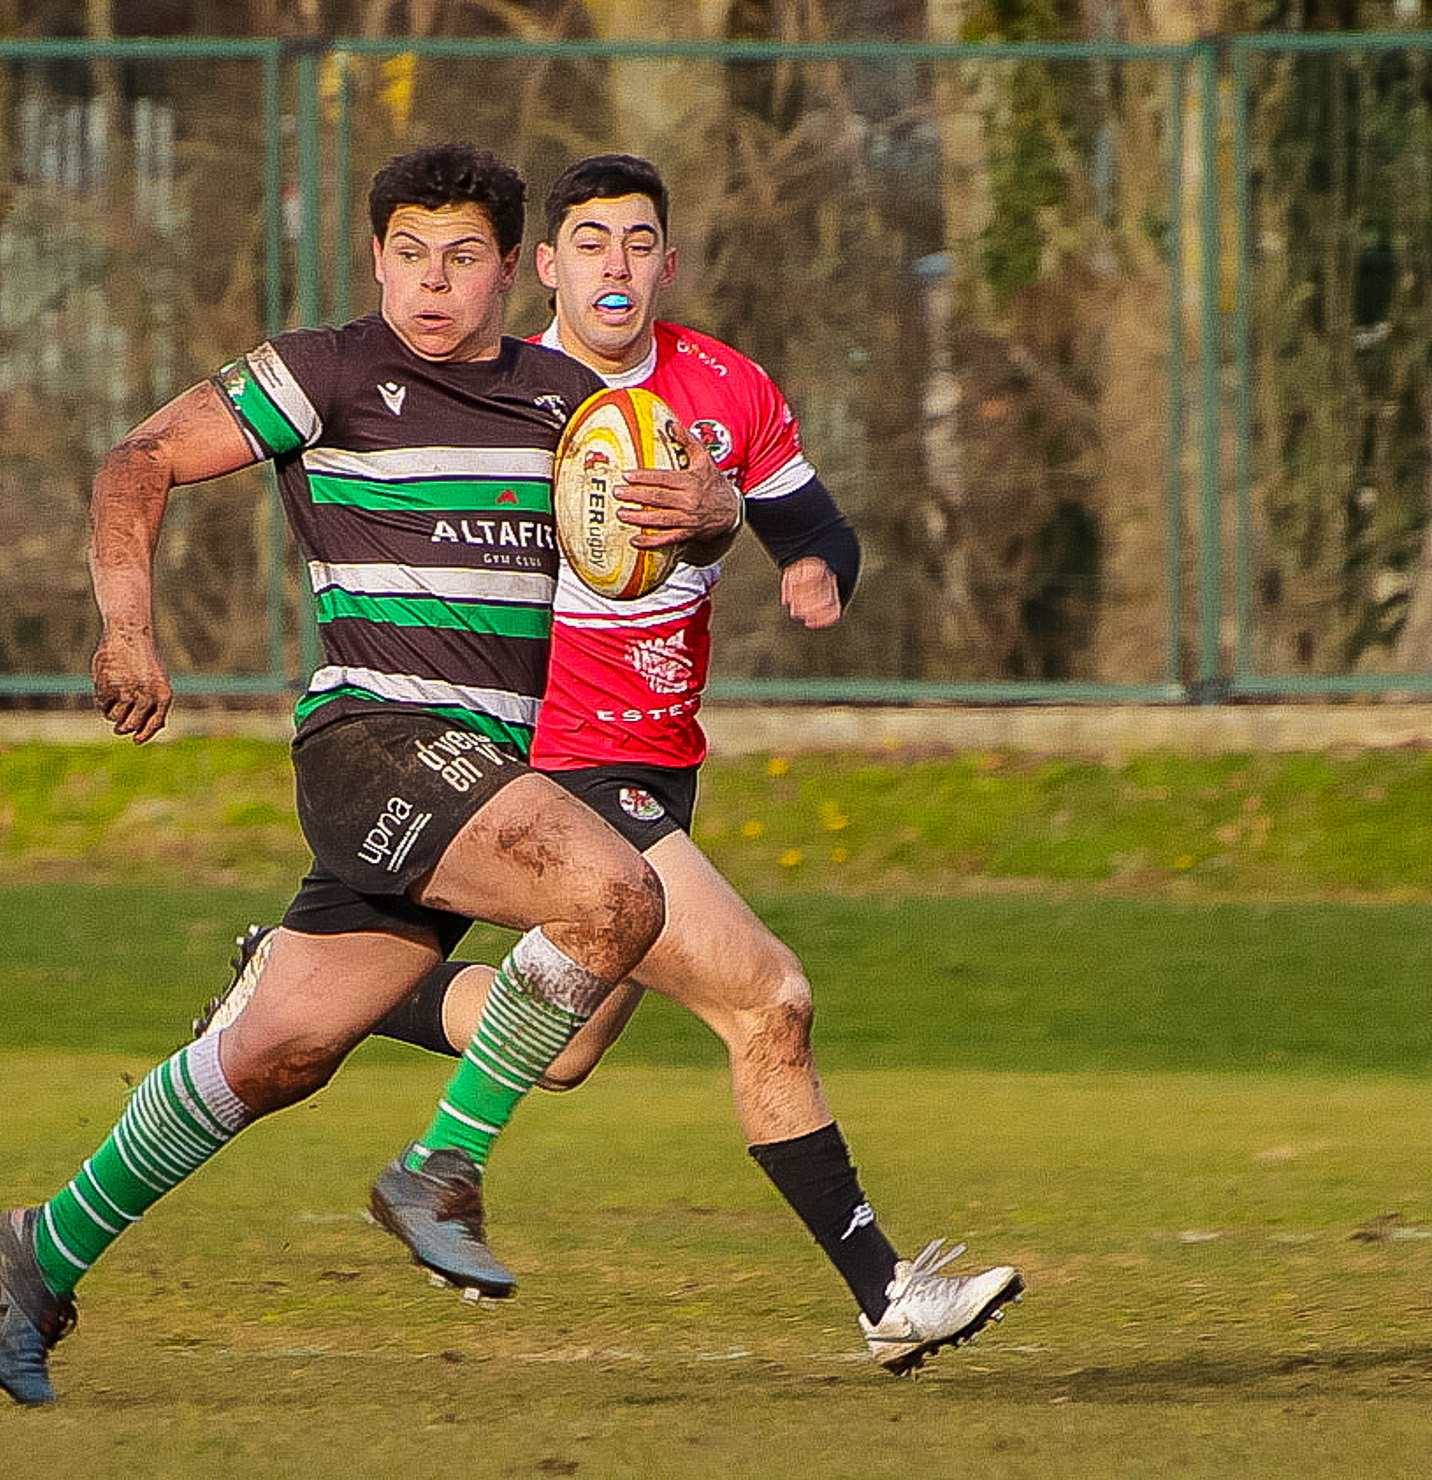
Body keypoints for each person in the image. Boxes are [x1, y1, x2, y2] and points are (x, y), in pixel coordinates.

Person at [196, 155, 1023, 1376]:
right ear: (546, 267)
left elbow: (811, 519)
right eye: (590, 243)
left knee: (567, 1047)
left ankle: (310, 979)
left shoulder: (725, 388)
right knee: (768, 997)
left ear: (668, 263)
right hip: (568, 761)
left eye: (639, 243)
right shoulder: (525, 400)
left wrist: (799, 559)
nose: (617, 267)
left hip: (664, 754)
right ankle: (884, 1288)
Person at [0, 141, 740, 1405]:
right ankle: (440, 1165)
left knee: (278, 1055)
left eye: (461, 259)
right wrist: (125, 626)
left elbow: (694, 516)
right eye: (405, 255)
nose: (429, 284)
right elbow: (140, 459)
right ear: (377, 257)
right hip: (371, 741)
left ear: (509, 272)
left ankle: (41, 1248)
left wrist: (709, 516)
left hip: (481, 773)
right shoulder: (327, 371)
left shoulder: (572, 403)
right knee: (614, 897)